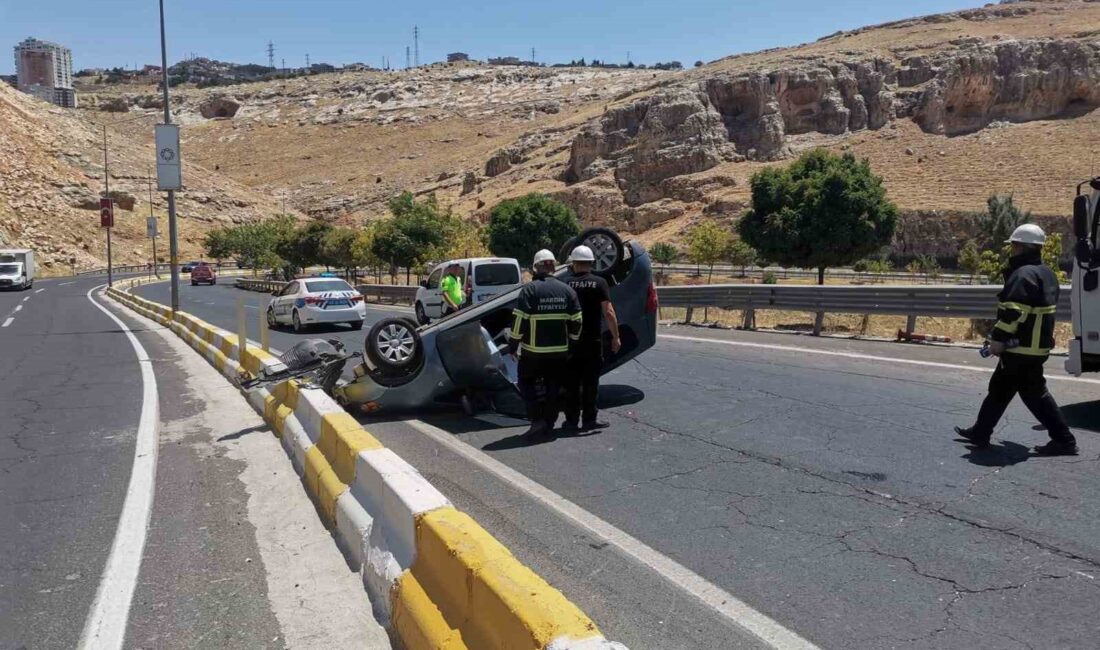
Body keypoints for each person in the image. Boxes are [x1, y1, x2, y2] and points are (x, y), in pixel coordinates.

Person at [955, 224, 1078, 456]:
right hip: (1036, 346)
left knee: (1034, 394)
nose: (1011, 249)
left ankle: (1064, 440)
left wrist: (998, 340)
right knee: (1000, 388)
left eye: (1013, 245)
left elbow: (1013, 312)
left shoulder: (1022, 275)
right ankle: (980, 432)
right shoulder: (1047, 273)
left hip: (1020, 348)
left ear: (1020, 246)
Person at [507, 249, 582, 437]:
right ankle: (549, 421)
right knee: (553, 386)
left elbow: (518, 321)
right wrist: (572, 343)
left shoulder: (529, 290)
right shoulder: (567, 290)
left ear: (536, 268)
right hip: (559, 351)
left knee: (526, 384)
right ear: (554, 267)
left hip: (533, 352)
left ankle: (537, 420)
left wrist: (513, 345)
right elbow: (577, 321)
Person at [562, 245, 621, 432]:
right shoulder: (600, 282)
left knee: (571, 383)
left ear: (573, 263)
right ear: (591, 263)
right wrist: (615, 337)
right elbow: (609, 313)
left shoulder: (565, 284)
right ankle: (589, 420)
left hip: (570, 342)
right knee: (590, 383)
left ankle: (571, 421)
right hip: (592, 343)